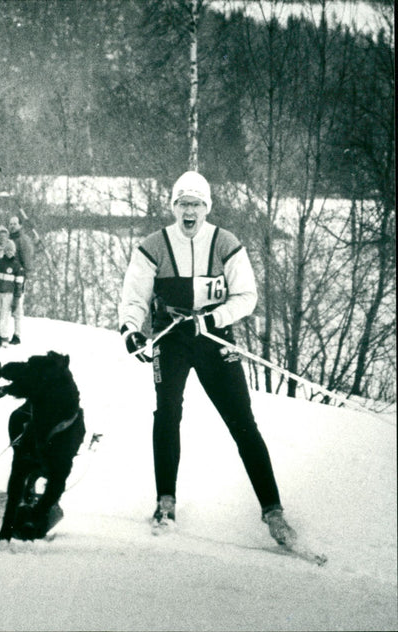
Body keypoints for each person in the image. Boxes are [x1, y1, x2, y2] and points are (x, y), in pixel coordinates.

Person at [117, 170, 296, 547]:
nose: (189, 211)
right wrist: (131, 329)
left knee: (242, 419)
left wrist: (213, 318)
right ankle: (165, 501)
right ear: (174, 207)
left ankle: (273, 510)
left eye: (196, 204)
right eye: (183, 203)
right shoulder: (155, 245)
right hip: (173, 335)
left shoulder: (225, 242)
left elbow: (246, 296)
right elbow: (134, 296)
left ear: (207, 208)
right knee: (167, 411)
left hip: (213, 336)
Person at [0, 239, 24, 348]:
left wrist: (16, 298)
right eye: (7, 250)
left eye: (11, 250)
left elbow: (19, 284)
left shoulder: (17, 266)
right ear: (4, 251)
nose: (9, 252)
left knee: (5, 315)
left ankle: (4, 336)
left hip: (9, 294)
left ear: (14, 252)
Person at [8, 214, 34, 345]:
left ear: (20, 225)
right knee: (7, 306)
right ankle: (5, 333)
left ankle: (17, 334)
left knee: (17, 306)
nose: (12, 226)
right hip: (7, 278)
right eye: (10, 224)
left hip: (19, 278)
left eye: (15, 224)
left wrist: (26, 276)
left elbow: (27, 261)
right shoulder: (8, 239)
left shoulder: (23, 240)